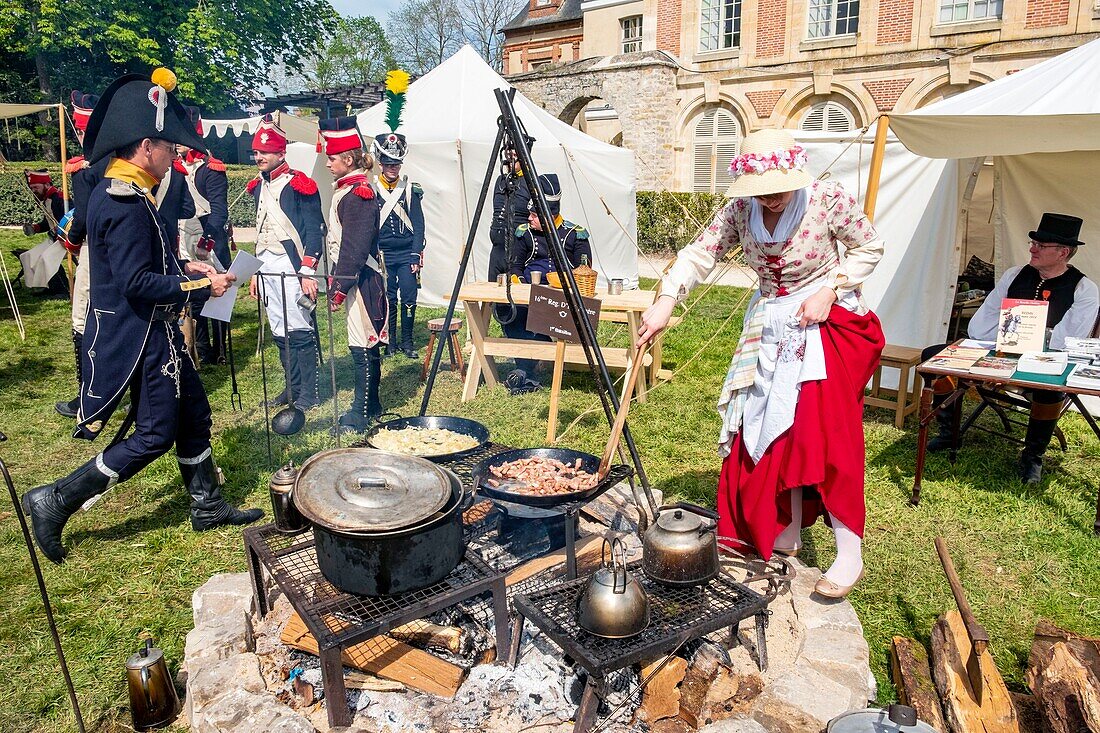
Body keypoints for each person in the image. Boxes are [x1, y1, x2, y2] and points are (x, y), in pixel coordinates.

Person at [20, 68, 261, 565]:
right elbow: (134, 282)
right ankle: (57, 499)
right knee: (154, 435)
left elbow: (146, 263)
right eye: (169, 148)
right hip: (139, 334)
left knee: (194, 411)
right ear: (146, 146)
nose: (174, 156)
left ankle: (206, 504)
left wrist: (183, 264)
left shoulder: (131, 194)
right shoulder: (124, 201)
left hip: (155, 329)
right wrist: (201, 283)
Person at [638, 129, 885, 599]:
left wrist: (831, 288)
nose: (769, 198)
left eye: (777, 188)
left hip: (823, 325)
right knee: (767, 429)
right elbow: (700, 253)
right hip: (769, 326)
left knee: (826, 437)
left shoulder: (827, 197)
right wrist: (668, 297)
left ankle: (848, 551)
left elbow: (869, 246)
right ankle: (786, 529)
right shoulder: (740, 209)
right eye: (760, 190)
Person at [922, 213, 1098, 483]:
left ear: (1063, 252)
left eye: (1041, 245)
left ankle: (1032, 456)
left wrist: (1023, 352)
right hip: (998, 351)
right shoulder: (1014, 275)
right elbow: (981, 326)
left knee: (1050, 390)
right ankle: (949, 431)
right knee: (933, 355)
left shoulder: (1084, 289)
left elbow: (1067, 342)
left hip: (1044, 361)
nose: (1032, 248)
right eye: (1033, 243)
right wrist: (998, 356)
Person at [246, 114, 325, 410]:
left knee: (298, 327)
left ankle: (309, 393)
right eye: (256, 152)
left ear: (281, 153)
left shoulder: (300, 185)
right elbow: (258, 230)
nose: (258, 157)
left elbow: (314, 232)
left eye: (264, 152)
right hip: (266, 265)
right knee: (279, 327)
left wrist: (307, 272)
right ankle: (291, 389)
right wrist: (255, 271)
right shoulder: (258, 188)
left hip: (291, 267)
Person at [320, 116, 389, 433]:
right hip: (358, 279)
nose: (328, 163)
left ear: (348, 159)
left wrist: (338, 288)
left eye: (332, 158)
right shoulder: (350, 190)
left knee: (362, 345)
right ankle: (371, 404)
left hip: (360, 280)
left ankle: (361, 412)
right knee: (366, 343)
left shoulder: (358, 194)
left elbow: (353, 250)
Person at [501, 173, 592, 391]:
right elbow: (515, 267)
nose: (529, 219)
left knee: (544, 308)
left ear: (548, 215)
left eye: (534, 215)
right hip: (530, 292)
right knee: (507, 308)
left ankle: (529, 367)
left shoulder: (574, 234)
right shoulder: (525, 234)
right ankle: (527, 365)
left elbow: (585, 271)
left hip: (560, 296)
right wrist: (522, 287)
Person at [55, 90, 107, 419]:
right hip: (121, 251)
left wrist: (71, 240)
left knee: (82, 321)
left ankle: (87, 397)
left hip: (93, 252)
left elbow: (84, 217)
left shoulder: (84, 167)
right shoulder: (119, 161)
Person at [179, 106, 232, 365]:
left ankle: (221, 347)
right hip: (184, 235)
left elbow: (219, 212)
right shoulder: (175, 168)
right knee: (194, 291)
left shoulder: (212, 168)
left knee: (219, 292)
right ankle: (201, 345)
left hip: (207, 235)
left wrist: (206, 242)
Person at [372, 131, 425, 359]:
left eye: (396, 163)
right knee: (389, 298)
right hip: (384, 254)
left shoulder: (411, 190)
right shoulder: (372, 189)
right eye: (388, 163)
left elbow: (419, 225)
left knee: (410, 296)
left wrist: (415, 255)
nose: (393, 167)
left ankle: (408, 342)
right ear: (381, 164)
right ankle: (390, 342)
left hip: (406, 253)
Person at [16, 169, 69, 296]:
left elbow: (70, 218)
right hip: (54, 239)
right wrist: (35, 228)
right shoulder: (46, 200)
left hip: (65, 239)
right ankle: (40, 286)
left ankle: (62, 290)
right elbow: (48, 223)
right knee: (27, 256)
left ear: (46, 184)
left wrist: (60, 230)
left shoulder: (60, 198)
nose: (33, 190)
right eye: (31, 187)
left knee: (47, 258)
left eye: (35, 187)